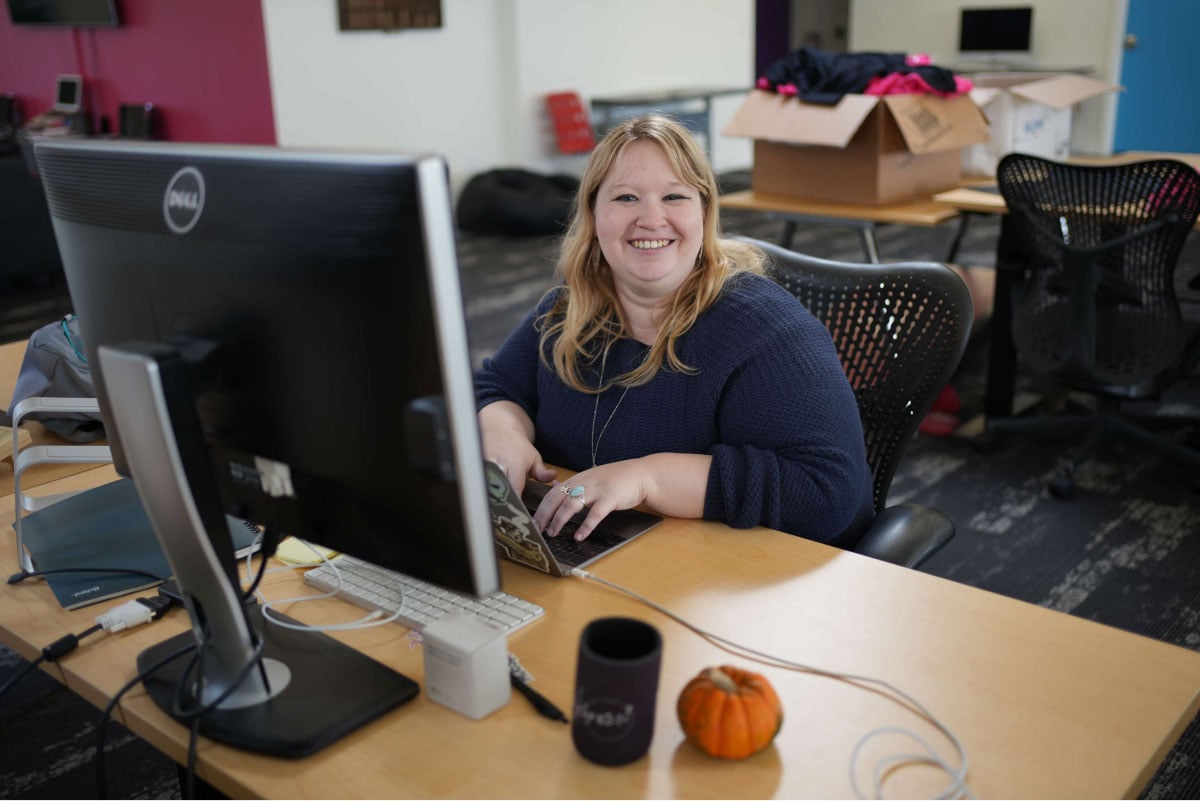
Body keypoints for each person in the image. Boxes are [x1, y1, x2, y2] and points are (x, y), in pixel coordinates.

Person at [474, 114, 873, 548]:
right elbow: (496, 385)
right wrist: (502, 432)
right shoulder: (567, 311)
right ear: (593, 215)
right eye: (625, 197)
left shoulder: (766, 330)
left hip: (743, 582)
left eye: (674, 196)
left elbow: (828, 492)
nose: (651, 218)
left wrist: (648, 477)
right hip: (605, 554)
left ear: (704, 212)